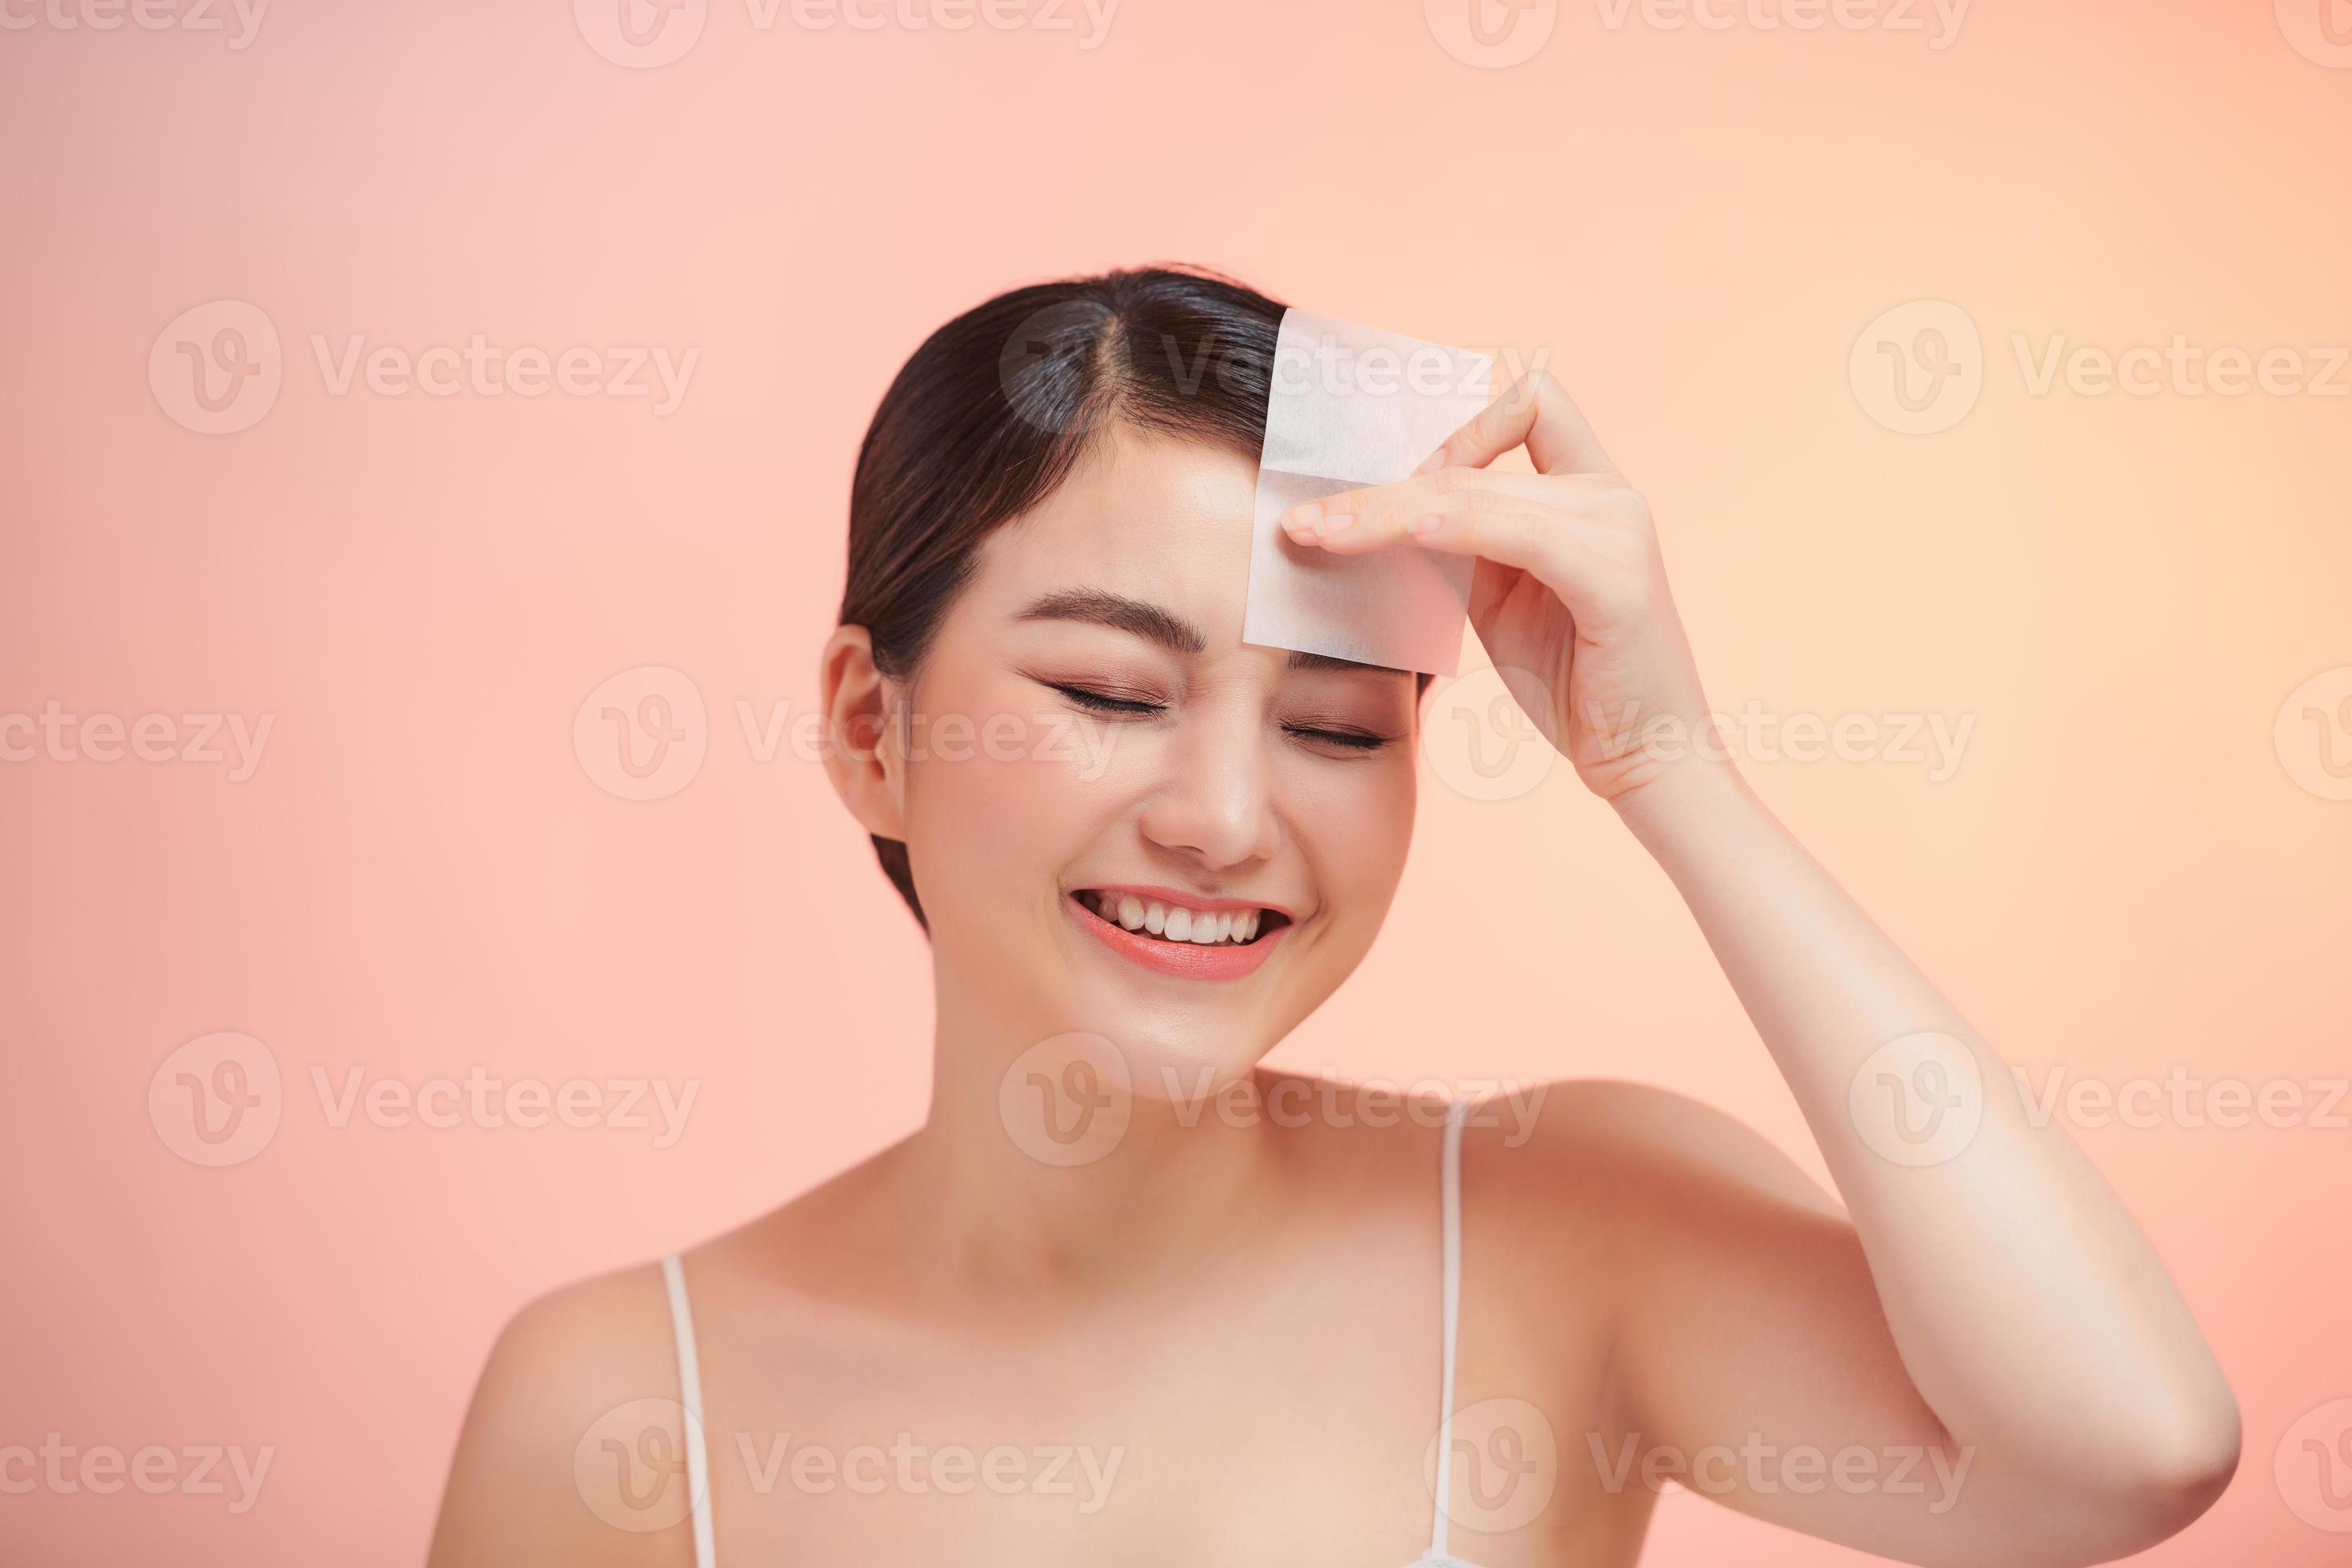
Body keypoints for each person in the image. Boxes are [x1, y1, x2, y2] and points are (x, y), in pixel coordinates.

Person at [426, 266, 2239, 1567]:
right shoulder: (613, 1399)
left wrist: (1669, 767)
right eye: (1114, 693)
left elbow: (2125, 1451)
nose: (1227, 818)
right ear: (865, 725)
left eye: (1333, 725)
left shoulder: (1573, 1230)